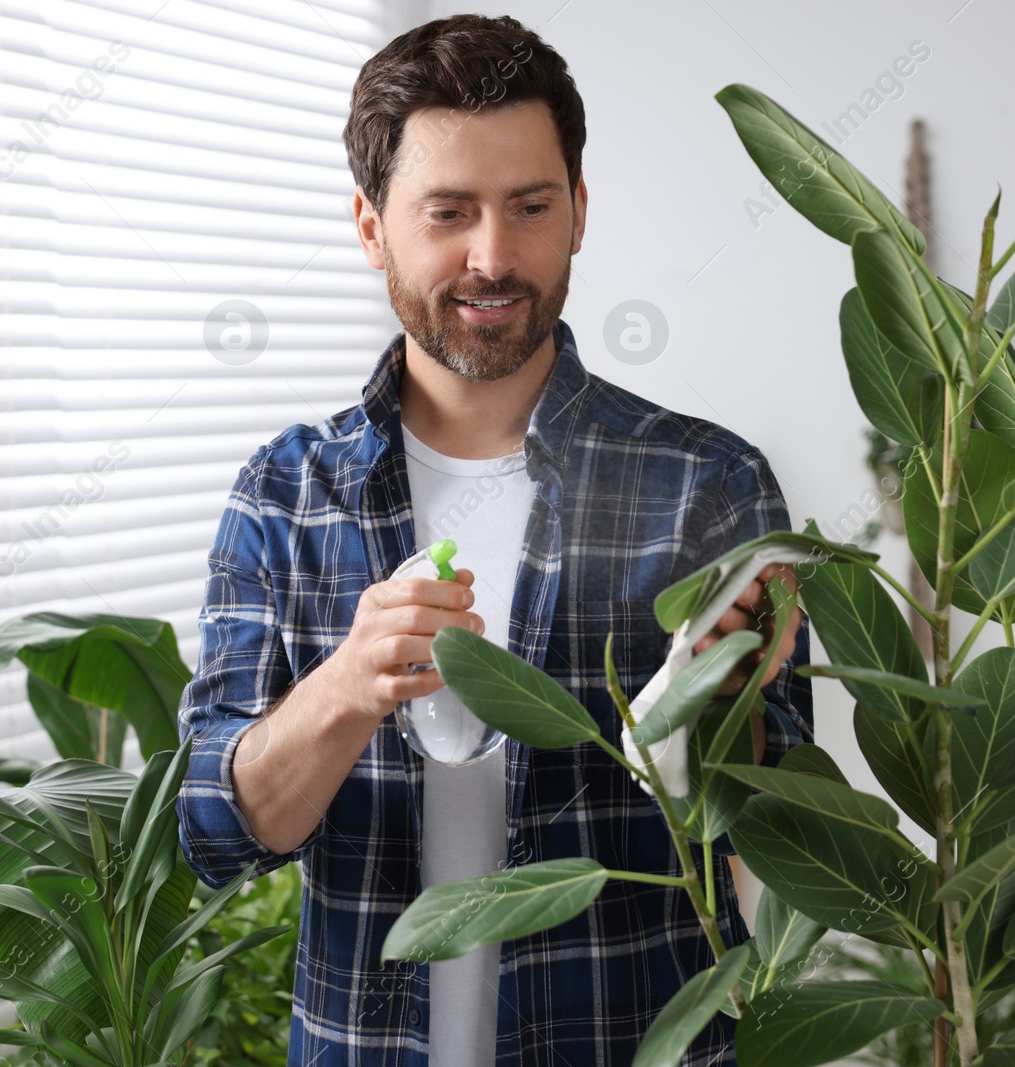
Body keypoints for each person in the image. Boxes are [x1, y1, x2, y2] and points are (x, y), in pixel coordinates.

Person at [176, 13, 812, 1066]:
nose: (492, 256)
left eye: (528, 207)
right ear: (372, 226)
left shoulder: (710, 483)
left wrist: (722, 704)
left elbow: (787, 834)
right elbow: (215, 832)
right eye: (448, 212)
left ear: (577, 215)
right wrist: (346, 685)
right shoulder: (286, 492)